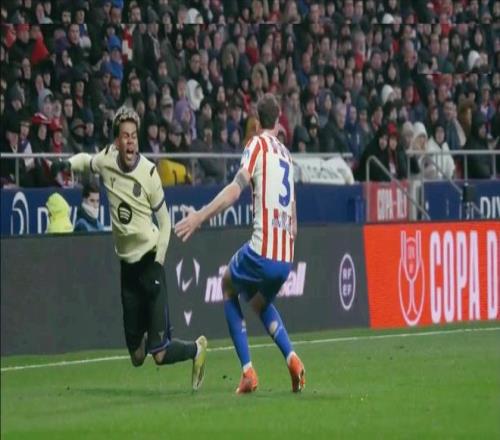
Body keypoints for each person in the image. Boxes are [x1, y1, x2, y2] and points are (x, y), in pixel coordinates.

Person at [51, 106, 207, 390]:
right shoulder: (107, 160)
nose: (131, 141)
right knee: (137, 357)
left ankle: (197, 349)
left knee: (159, 355)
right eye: (125, 136)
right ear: (117, 141)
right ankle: (154, 332)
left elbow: (165, 222)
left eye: (134, 136)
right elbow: (87, 161)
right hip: (128, 269)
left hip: (150, 262)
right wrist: (66, 164)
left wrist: (159, 261)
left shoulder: (149, 173)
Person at [175, 94, 305, 394]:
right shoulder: (287, 156)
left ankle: (248, 372)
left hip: (262, 251)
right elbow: (295, 224)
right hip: (286, 257)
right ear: (280, 120)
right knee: (258, 302)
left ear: (257, 121)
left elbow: (235, 190)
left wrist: (200, 216)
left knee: (227, 285)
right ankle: (292, 358)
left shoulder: (255, 145)